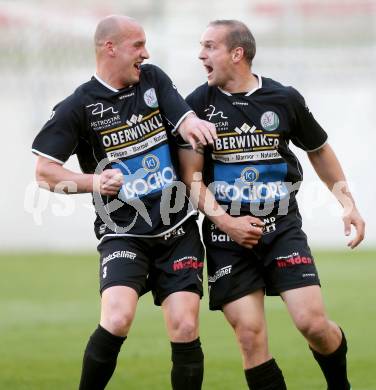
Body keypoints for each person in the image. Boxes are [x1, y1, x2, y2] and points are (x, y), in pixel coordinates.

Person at [32, 15, 217, 390]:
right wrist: (94, 182)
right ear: (109, 48)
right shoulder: (78, 106)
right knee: (117, 319)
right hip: (122, 232)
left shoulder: (153, 80)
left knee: (184, 325)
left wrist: (191, 124)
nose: (145, 53)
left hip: (176, 228)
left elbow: (181, 117)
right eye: (138, 46)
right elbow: (45, 173)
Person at [178, 19, 365, 390]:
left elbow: (319, 149)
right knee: (249, 336)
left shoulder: (283, 99)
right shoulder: (196, 105)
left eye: (210, 46)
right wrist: (228, 223)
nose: (201, 54)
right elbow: (190, 177)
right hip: (226, 237)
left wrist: (348, 203)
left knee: (313, 324)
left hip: (281, 228)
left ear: (237, 53)